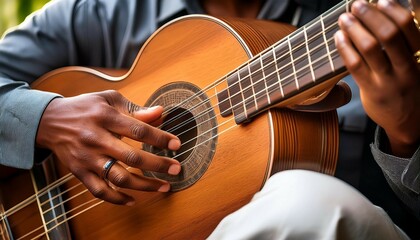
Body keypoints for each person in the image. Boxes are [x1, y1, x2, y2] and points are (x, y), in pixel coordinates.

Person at [0, 0, 418, 239]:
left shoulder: (370, 18)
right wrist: (46, 118)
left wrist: (406, 132)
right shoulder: (97, 13)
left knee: (311, 204)